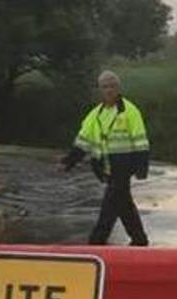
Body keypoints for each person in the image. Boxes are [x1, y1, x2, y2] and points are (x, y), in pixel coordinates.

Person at [61, 70, 150, 246]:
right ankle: (140, 240)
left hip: (123, 167)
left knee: (109, 208)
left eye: (112, 86)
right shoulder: (95, 115)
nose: (109, 90)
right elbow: (82, 142)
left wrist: (141, 168)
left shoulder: (130, 111)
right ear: (100, 90)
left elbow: (141, 141)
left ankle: (96, 242)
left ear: (118, 88)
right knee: (123, 205)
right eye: (105, 87)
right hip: (104, 168)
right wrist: (68, 162)